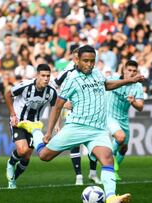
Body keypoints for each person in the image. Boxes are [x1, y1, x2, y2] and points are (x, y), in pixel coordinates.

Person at [28, 45, 143, 203]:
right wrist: (48, 132)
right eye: (86, 61)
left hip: (98, 129)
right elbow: (58, 105)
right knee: (44, 156)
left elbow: (106, 85)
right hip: (76, 127)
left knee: (107, 158)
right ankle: (35, 130)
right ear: (77, 60)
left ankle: (111, 197)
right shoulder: (72, 78)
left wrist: (128, 80)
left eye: (92, 61)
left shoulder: (96, 73)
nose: (89, 64)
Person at [53, 47, 101, 185]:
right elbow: (52, 87)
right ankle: (79, 176)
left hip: (90, 112)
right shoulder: (68, 72)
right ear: (75, 58)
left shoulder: (93, 72)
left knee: (93, 143)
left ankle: (93, 173)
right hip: (73, 113)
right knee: (75, 144)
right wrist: (64, 103)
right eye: (76, 56)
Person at [5, 64, 57, 189]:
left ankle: (13, 181)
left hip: (34, 125)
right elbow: (8, 94)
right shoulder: (25, 86)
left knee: (27, 156)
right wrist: (12, 114)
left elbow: (56, 108)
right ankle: (11, 163)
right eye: (43, 76)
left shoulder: (51, 91)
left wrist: (57, 125)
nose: (46, 79)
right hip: (19, 122)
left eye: (48, 76)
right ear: (37, 75)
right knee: (22, 150)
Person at [107, 60, 144, 181]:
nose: (132, 73)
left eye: (134, 71)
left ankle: (114, 170)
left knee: (124, 148)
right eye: (129, 70)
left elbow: (140, 107)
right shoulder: (114, 79)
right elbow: (104, 86)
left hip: (123, 118)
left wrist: (133, 101)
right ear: (124, 70)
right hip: (109, 116)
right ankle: (111, 163)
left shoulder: (137, 86)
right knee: (120, 137)